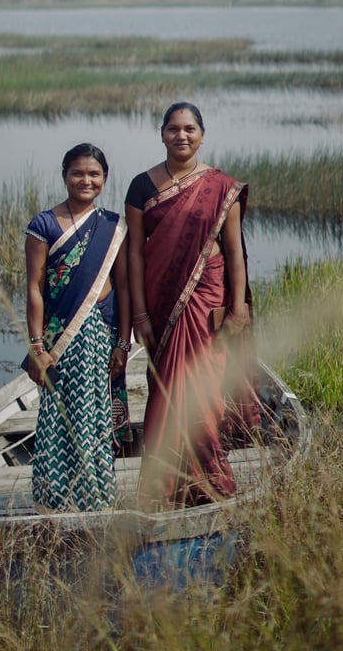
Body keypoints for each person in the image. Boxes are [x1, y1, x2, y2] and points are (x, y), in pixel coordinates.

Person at [125, 102, 259, 509]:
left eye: (189, 129)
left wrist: (237, 309)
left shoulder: (221, 187)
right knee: (165, 392)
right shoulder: (142, 187)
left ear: (202, 134)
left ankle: (209, 483)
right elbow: (134, 254)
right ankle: (164, 487)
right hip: (160, 306)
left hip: (207, 303)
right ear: (161, 134)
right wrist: (140, 314)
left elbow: (234, 252)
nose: (181, 136)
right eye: (173, 129)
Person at [25, 143, 131, 511]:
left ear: (104, 179)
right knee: (56, 416)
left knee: (92, 416)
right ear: (65, 175)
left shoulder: (113, 227)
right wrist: (37, 346)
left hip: (98, 334)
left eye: (94, 174)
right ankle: (54, 498)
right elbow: (35, 288)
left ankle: (95, 497)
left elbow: (125, 288)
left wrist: (123, 343)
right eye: (78, 173)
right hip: (58, 339)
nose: (86, 180)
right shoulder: (43, 224)